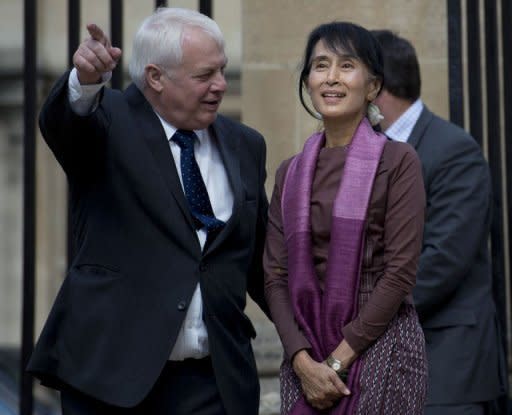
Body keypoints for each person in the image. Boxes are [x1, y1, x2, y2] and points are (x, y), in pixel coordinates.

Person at [28, 7, 269, 415]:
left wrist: (311, 340)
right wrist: (85, 83)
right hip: (112, 383)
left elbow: (264, 263)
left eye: (222, 71)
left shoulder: (245, 143)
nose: (221, 86)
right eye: (204, 75)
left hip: (214, 383)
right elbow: (66, 125)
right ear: (156, 77)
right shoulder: (109, 121)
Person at [264, 21, 428, 415]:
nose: (331, 78)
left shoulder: (398, 161)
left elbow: (400, 272)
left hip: (381, 346)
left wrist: (336, 361)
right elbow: (275, 275)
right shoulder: (290, 172)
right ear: (307, 82)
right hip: (306, 350)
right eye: (320, 66)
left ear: (372, 86)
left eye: (346, 65)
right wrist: (303, 361)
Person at [372, 29, 507, 415]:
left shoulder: (453, 151)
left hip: (444, 370)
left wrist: (360, 321)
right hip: (379, 369)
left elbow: (442, 261)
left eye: (350, 73)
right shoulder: (361, 154)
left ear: (376, 88)